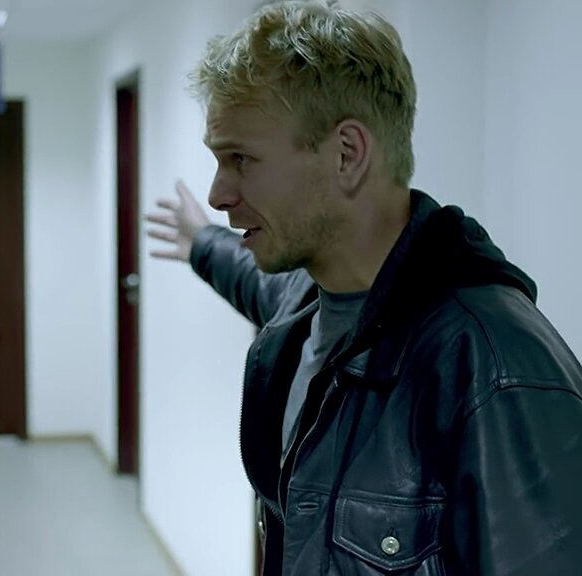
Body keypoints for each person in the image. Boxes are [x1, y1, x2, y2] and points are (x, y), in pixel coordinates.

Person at [145, 2, 582, 575]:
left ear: (347, 154)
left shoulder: (494, 366)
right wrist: (201, 242)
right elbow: (253, 281)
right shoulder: (306, 304)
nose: (218, 193)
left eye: (241, 159)